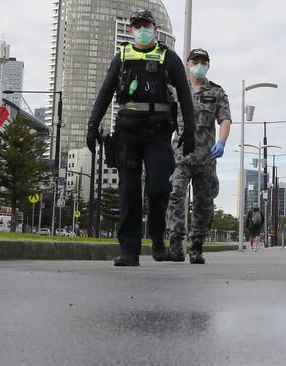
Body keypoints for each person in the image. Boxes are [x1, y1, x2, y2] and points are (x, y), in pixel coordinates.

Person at [86, 9, 195, 266]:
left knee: (158, 189)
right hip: (127, 133)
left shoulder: (169, 58)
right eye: (137, 26)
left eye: (146, 25)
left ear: (155, 29)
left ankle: (158, 240)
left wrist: (188, 129)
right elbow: (105, 92)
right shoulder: (122, 56)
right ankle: (129, 250)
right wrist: (92, 125)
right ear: (132, 30)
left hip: (158, 134)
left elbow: (185, 95)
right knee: (128, 192)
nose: (142, 29)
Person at [165, 48, 232, 264]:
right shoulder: (175, 89)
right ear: (188, 63)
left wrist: (221, 142)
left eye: (204, 62)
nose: (199, 66)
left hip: (206, 156)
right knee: (175, 194)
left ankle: (196, 246)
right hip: (180, 155)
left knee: (204, 202)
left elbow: (225, 119)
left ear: (208, 65)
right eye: (196, 61)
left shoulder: (216, 92)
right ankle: (175, 244)